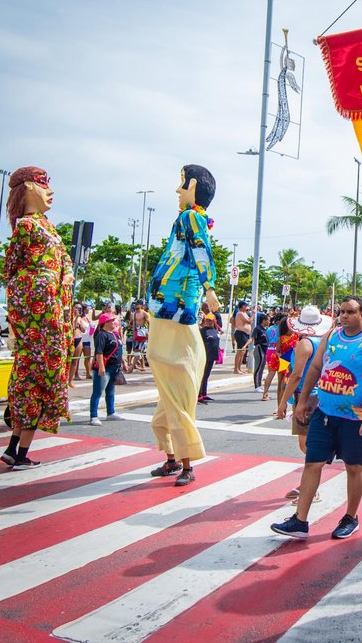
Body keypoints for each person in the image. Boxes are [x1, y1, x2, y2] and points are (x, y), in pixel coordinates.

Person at [271, 295, 362, 539]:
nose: (344, 316)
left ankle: (350, 517)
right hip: (324, 412)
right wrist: (302, 401)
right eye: (341, 312)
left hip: (354, 418)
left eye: (350, 312)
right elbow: (315, 368)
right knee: (312, 463)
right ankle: (300, 521)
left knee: (354, 467)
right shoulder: (332, 336)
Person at [145, 165, 219, 487]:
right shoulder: (187, 217)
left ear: (194, 188)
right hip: (168, 310)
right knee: (168, 395)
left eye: (182, 185)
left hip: (175, 310)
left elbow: (201, 249)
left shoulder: (191, 217)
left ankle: (187, 464)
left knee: (175, 389)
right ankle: (173, 459)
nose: (177, 191)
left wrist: (210, 288)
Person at [0, 167, 75, 470]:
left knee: (35, 381)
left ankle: (15, 449)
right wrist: (43, 281)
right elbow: (11, 271)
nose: (50, 191)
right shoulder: (27, 227)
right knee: (36, 381)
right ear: (29, 186)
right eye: (44, 185)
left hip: (50, 316)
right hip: (40, 321)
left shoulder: (46, 227)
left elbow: (65, 258)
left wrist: (65, 273)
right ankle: (18, 453)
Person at [276, 306, 333, 504]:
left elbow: (296, 375)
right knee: (310, 443)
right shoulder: (322, 341)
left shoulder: (304, 344)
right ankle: (307, 484)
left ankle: (311, 488)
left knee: (307, 444)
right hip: (319, 394)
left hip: (306, 396)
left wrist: (283, 401)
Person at [88, 313, 124, 425]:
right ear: (106, 322)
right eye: (112, 320)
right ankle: (93, 416)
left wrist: (123, 362)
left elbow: (119, 350)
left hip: (115, 367)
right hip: (105, 367)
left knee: (111, 391)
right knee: (98, 392)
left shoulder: (115, 334)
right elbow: (99, 352)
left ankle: (111, 412)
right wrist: (101, 367)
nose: (114, 322)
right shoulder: (101, 335)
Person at [197, 302, 222, 404]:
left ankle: (204, 393)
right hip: (205, 355)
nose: (208, 322)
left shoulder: (215, 330)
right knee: (202, 375)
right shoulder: (203, 331)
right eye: (207, 320)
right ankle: (199, 395)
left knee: (206, 375)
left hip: (212, 355)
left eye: (210, 320)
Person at [70, 304, 90, 383]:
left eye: (80, 308)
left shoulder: (80, 318)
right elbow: (72, 327)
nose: (78, 310)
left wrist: (79, 320)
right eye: (77, 308)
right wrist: (75, 320)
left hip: (79, 338)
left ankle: (70, 381)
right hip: (71, 339)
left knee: (75, 361)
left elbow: (84, 330)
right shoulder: (69, 317)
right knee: (69, 360)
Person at [232, 301, 253, 374]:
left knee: (243, 352)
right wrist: (253, 315)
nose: (247, 307)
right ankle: (236, 369)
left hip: (245, 334)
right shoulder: (240, 313)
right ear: (242, 306)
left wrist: (249, 312)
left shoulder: (244, 313)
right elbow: (248, 321)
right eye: (245, 305)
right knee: (240, 351)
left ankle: (239, 368)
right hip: (241, 333)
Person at [251, 313, 270, 391]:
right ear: (264, 320)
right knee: (258, 367)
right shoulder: (257, 329)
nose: (269, 322)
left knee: (262, 368)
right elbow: (252, 338)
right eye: (268, 320)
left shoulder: (265, 329)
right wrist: (245, 346)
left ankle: (259, 384)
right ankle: (257, 386)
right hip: (259, 348)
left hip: (265, 349)